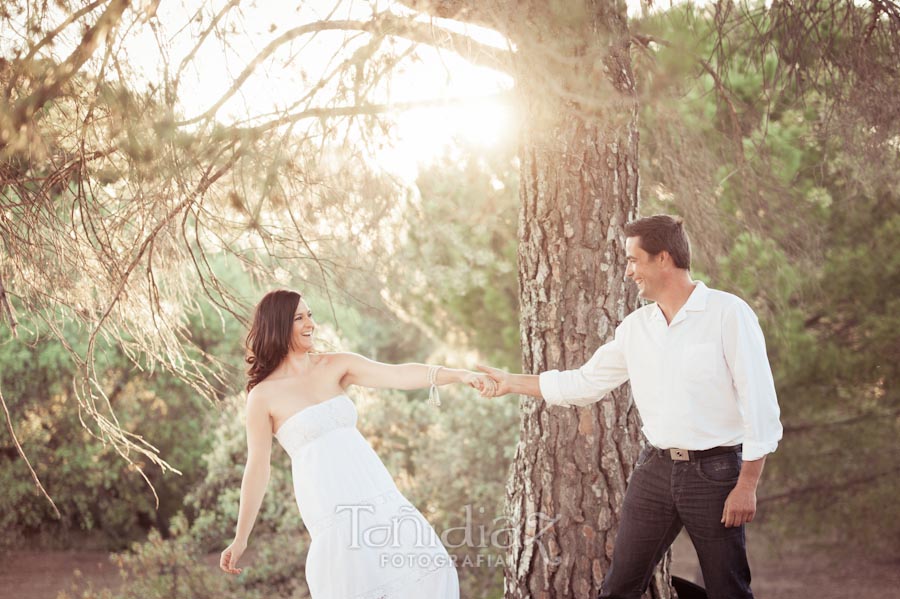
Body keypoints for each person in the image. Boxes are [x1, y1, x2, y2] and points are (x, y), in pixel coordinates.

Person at [477, 215, 782, 599]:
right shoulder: (636, 328)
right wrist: (511, 382)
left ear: (663, 259)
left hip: (715, 475)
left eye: (633, 260)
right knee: (619, 586)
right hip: (654, 471)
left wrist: (747, 485)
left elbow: (760, 404)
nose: (628, 271)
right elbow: (585, 383)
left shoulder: (728, 314)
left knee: (728, 589)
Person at [219, 289, 494, 598]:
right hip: (330, 505)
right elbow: (257, 467)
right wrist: (241, 538)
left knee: (424, 575)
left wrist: (458, 375)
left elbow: (398, 374)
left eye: (310, 315)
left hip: (375, 490)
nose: (310, 323)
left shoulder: (336, 365)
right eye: (299, 318)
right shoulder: (263, 396)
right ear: (278, 325)